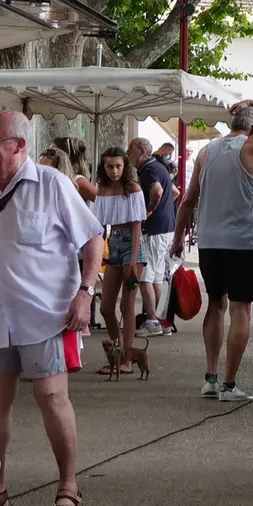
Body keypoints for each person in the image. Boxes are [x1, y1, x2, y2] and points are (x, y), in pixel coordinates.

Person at [0, 110, 104, 506]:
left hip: (47, 316)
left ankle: (68, 485)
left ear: (20, 145)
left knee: (51, 397)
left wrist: (86, 293)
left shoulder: (52, 184)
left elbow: (93, 238)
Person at [173, 97, 253, 402]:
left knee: (216, 305)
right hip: (243, 243)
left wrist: (177, 238)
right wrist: (252, 101)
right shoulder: (252, 146)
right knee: (241, 310)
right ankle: (229, 384)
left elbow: (188, 200)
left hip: (210, 242)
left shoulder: (206, 152)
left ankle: (211, 377)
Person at [93, 145, 147, 367]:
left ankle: (126, 359)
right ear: (103, 167)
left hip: (132, 247)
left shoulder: (132, 188)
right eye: (109, 166)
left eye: (117, 166)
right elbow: (99, 226)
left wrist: (134, 260)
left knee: (127, 305)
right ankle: (118, 354)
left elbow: (137, 227)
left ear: (125, 166)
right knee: (106, 307)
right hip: (113, 243)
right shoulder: (103, 190)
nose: (113, 171)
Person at [134, 137, 176, 335]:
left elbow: (157, 190)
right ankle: (161, 321)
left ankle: (152, 321)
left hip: (154, 229)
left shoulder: (149, 169)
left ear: (142, 152)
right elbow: (175, 192)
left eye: (130, 151)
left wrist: (149, 211)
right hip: (166, 227)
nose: (128, 155)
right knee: (157, 276)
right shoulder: (160, 167)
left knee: (145, 276)